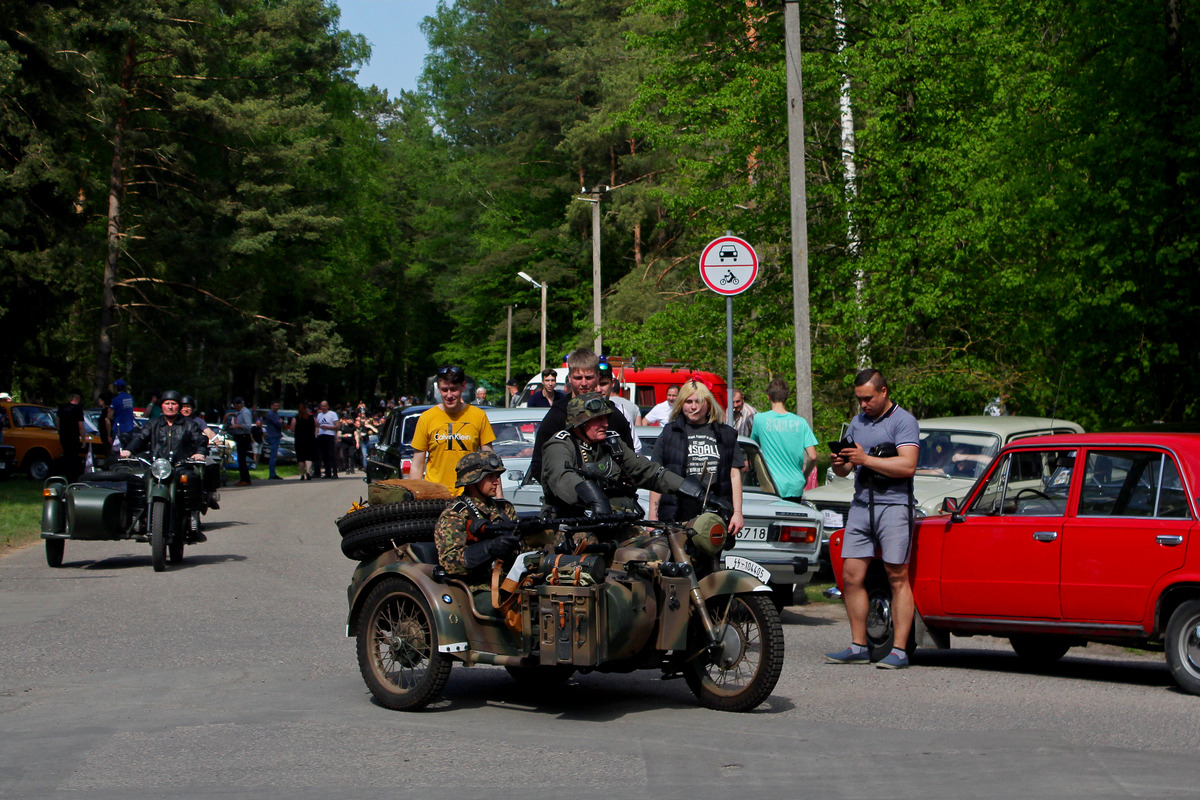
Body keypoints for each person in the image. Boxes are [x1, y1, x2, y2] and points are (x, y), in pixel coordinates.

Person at [825, 368, 920, 670]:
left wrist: (866, 459)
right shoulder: (856, 422)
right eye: (859, 400)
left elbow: (907, 466)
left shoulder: (904, 421)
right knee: (851, 576)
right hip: (861, 505)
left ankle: (900, 651)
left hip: (894, 507)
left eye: (867, 399)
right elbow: (845, 471)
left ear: (883, 392)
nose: (863, 405)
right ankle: (858, 646)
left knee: (897, 577)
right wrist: (840, 463)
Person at [541, 393, 709, 527]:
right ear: (579, 423)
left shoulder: (611, 443)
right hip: (570, 526)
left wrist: (695, 492)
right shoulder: (561, 444)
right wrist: (594, 498)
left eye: (606, 418)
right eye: (597, 419)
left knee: (656, 550)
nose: (605, 424)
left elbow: (647, 471)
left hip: (615, 524)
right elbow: (561, 477)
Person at [527, 349, 638, 487]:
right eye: (578, 378)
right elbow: (539, 465)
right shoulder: (557, 416)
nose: (584, 383)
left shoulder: (614, 416)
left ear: (598, 377)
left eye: (589, 377)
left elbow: (630, 463)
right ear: (569, 378)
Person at [647, 379, 744, 535]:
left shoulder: (725, 434)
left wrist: (737, 512)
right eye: (689, 401)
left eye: (699, 402)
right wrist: (653, 516)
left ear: (708, 404)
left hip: (715, 511)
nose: (694, 407)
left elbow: (734, 475)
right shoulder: (670, 433)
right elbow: (658, 475)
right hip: (677, 513)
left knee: (709, 557)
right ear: (681, 404)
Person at [433, 451, 523, 597]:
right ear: (473, 480)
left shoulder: (504, 509)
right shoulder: (455, 514)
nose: (496, 482)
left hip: (510, 583)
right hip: (476, 589)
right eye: (490, 477)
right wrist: (489, 549)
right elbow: (450, 562)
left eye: (497, 476)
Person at [410, 365, 497, 496]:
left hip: (469, 495)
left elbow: (491, 462)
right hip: (436, 497)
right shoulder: (427, 418)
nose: (449, 395)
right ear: (438, 388)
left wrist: (499, 499)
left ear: (463, 386)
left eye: (453, 389)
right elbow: (417, 464)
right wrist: (414, 497)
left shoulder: (478, 416)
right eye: (444, 390)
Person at [749, 379, 818, 503]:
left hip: (771, 484)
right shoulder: (800, 422)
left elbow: (752, 448)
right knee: (791, 521)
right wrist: (805, 475)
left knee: (773, 521)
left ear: (768, 397)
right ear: (787, 397)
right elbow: (813, 456)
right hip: (795, 484)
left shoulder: (760, 420)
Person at [120, 391, 208, 464]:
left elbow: (200, 439)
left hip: (182, 465)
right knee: (139, 481)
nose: (170, 407)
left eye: (173, 404)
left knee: (190, 479)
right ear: (161, 406)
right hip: (156, 465)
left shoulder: (190, 424)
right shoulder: (153, 423)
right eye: (167, 403)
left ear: (179, 406)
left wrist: (200, 453)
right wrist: (129, 450)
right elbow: (141, 438)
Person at [598, 368, 642, 454]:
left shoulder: (621, 411)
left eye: (603, 384)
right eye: (595, 384)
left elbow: (636, 447)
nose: (599, 389)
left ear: (612, 383)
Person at [56, 388, 86, 481]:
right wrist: (84, 441)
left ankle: (67, 475)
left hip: (64, 437)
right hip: (73, 437)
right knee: (73, 458)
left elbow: (57, 421)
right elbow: (80, 426)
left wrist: (60, 432)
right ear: (78, 398)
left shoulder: (62, 407)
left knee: (66, 456)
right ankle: (72, 478)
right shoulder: (78, 409)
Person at [226, 397, 254, 486]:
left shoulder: (245, 413)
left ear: (238, 405)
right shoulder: (239, 413)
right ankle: (243, 478)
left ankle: (245, 479)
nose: (235, 407)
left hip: (244, 437)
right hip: (239, 436)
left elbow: (248, 426)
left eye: (235, 405)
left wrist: (237, 426)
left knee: (242, 459)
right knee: (241, 459)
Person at [263, 400, 288, 480]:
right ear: (271, 406)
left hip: (276, 436)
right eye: (275, 405)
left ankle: (273, 473)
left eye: (278, 406)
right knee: (273, 456)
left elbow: (282, 423)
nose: (277, 407)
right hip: (273, 436)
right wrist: (281, 422)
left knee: (274, 455)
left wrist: (281, 422)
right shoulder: (271, 414)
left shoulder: (276, 414)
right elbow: (279, 424)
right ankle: (272, 474)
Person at [316, 400, 339, 479]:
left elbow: (337, 426)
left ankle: (335, 472)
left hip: (330, 435)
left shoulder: (332, 414)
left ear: (327, 406)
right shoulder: (319, 415)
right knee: (324, 455)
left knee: (331, 454)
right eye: (321, 406)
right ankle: (327, 472)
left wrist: (328, 427)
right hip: (321, 435)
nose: (323, 408)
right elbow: (317, 426)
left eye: (324, 406)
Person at [294, 403, 318, 480]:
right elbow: (317, 425)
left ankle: (302, 474)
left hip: (299, 439)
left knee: (301, 458)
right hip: (310, 439)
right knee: (309, 457)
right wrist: (315, 434)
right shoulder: (311, 418)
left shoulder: (296, 418)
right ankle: (308, 471)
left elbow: (292, 428)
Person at [111, 379, 135, 451]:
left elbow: (110, 415)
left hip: (119, 429)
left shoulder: (116, 399)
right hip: (129, 428)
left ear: (116, 387)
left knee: (117, 450)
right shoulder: (130, 398)